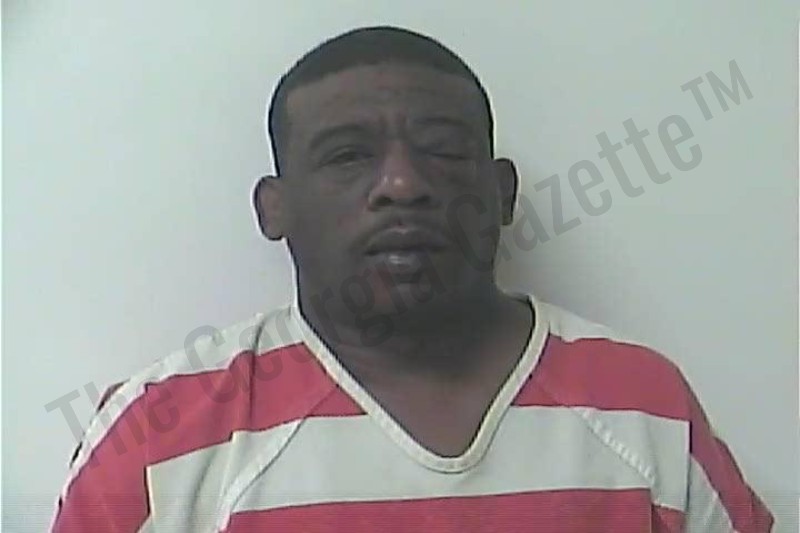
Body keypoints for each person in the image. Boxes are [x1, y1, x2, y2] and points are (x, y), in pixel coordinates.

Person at [51, 25, 773, 532]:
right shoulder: (159, 432)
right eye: (347, 156)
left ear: (502, 193)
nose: (402, 184)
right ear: (274, 209)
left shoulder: (642, 405)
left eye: (443, 151)